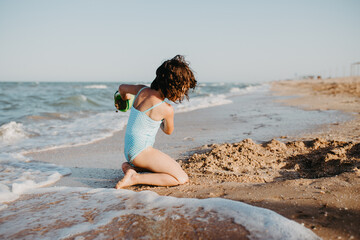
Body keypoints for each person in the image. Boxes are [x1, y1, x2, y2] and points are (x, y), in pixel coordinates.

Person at [115, 55, 197, 189]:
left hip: (129, 151)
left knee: (171, 166)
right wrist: (160, 119)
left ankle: (131, 167)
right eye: (183, 90)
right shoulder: (166, 109)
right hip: (142, 152)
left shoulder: (140, 90)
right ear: (174, 87)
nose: (182, 94)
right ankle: (135, 177)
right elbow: (168, 131)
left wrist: (124, 101)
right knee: (180, 177)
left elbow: (122, 88)